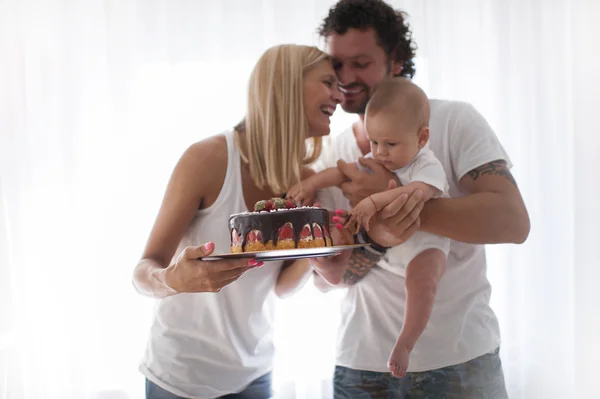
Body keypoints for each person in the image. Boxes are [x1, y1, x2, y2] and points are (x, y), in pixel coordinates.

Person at [308, 0, 531, 397]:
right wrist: (335, 257)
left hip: (460, 362)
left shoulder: (454, 121)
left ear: (396, 61)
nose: (345, 77)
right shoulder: (333, 153)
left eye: (360, 63)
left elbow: (513, 221)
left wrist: (390, 201)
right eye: (337, 65)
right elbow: (334, 277)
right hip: (361, 366)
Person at [131, 44, 344, 399]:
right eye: (327, 82)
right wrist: (172, 280)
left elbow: (280, 287)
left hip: (254, 375)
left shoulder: (306, 181)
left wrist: (318, 250)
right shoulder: (208, 159)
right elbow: (142, 272)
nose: (339, 96)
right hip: (180, 378)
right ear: (287, 86)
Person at [287, 76, 450, 377]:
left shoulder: (427, 165)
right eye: (374, 142)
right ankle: (327, 256)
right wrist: (310, 183)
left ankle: (405, 343)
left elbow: (414, 194)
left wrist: (374, 201)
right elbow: (341, 173)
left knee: (422, 284)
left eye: (390, 144)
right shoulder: (380, 160)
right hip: (389, 249)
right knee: (339, 225)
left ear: (422, 138)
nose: (381, 152)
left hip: (426, 246)